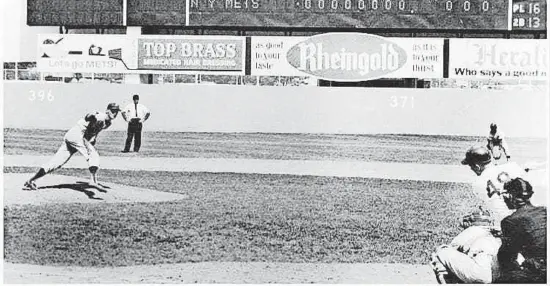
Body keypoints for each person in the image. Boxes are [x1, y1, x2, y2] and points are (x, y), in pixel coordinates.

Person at [431, 146, 529, 283]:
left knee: (444, 251)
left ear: (477, 166)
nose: (471, 169)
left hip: (504, 230)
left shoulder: (478, 184)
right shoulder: (512, 167)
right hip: (525, 226)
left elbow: (490, 210)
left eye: (471, 166)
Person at [23, 103, 121, 190]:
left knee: (56, 163)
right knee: (93, 155)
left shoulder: (108, 123)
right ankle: (93, 181)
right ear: (107, 110)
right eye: (113, 111)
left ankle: (30, 180)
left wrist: (94, 138)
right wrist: (91, 116)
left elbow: (95, 130)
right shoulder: (101, 116)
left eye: (116, 111)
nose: (115, 113)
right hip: (76, 135)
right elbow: (88, 117)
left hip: (73, 137)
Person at [496, 177, 546, 284]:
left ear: (510, 195)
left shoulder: (510, 221)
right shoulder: (544, 211)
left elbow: (507, 257)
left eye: (504, 194)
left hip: (540, 273)